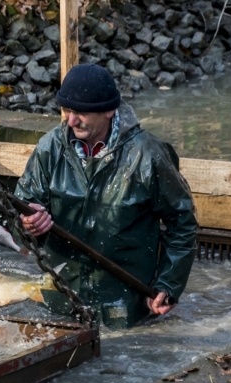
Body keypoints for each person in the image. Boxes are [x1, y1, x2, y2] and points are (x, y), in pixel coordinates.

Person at [14, 63, 198, 328]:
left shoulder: (147, 155)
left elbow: (182, 223)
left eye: (81, 112)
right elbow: (19, 212)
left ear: (109, 111)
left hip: (126, 306)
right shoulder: (49, 148)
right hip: (60, 301)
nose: (71, 121)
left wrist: (168, 284)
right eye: (67, 110)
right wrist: (28, 224)